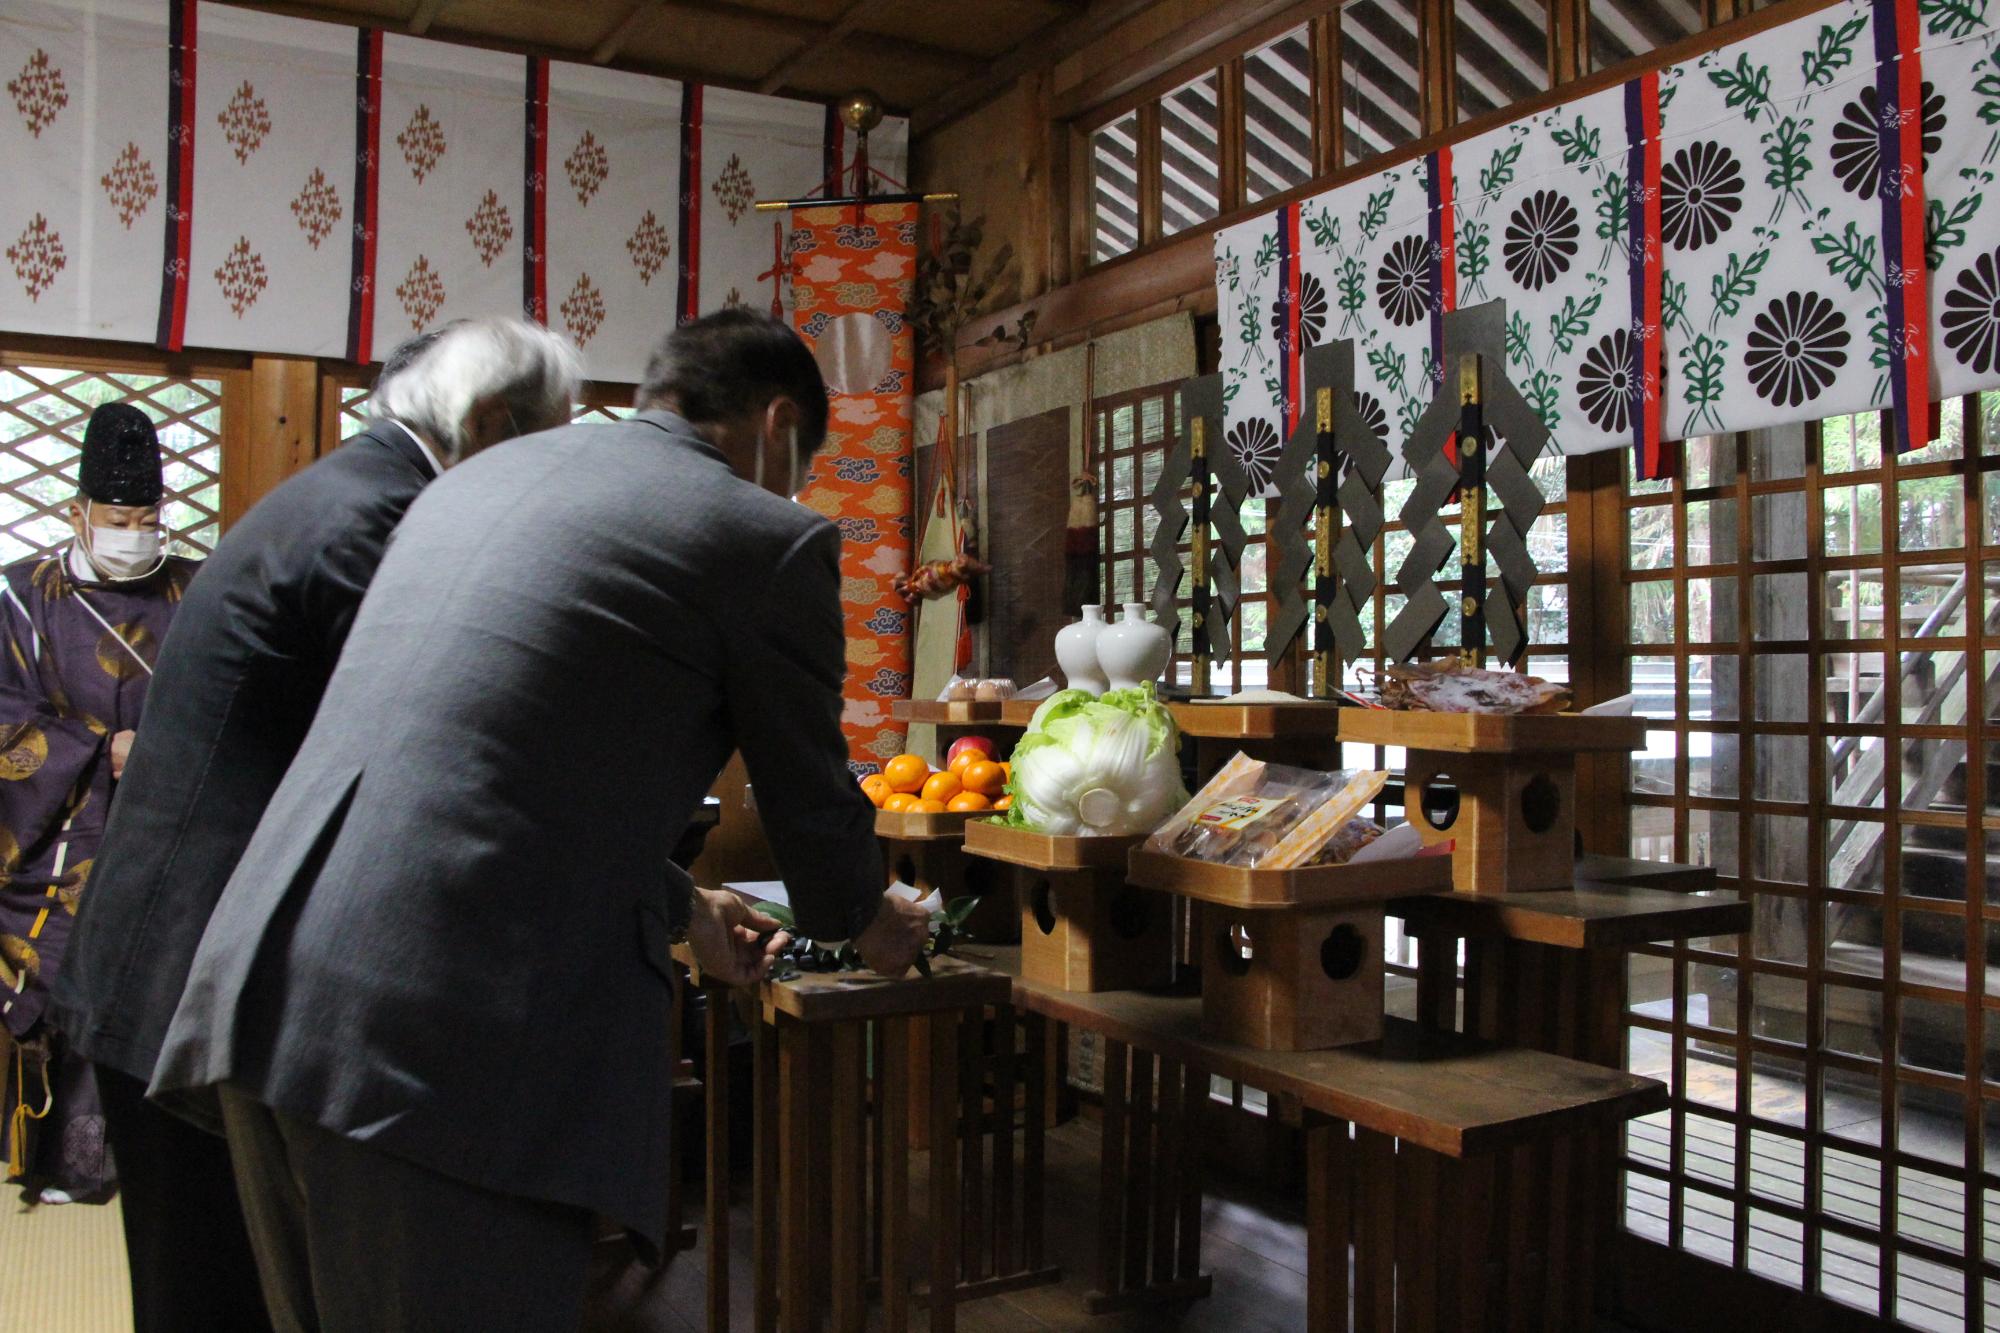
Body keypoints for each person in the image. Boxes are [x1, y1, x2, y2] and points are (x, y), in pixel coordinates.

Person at [149, 308, 931, 1332]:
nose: (792, 485)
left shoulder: (471, 483)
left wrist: (683, 907)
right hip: (430, 1044)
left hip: (263, 988)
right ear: (777, 421)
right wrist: (871, 920)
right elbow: (812, 807)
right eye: (799, 461)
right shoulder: (764, 538)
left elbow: (480, 770)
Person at [46, 317, 581, 1333]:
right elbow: (452, 760)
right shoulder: (373, 528)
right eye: (541, 445)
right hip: (185, 975)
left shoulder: (351, 496)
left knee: (230, 1292)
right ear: (485, 420)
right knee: (214, 1297)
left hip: (197, 965)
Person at [1, 404, 197, 1206]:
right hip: (64, 835)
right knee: (64, 986)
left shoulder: (199, 586)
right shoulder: (24, 598)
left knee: (160, 993)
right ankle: (55, 1156)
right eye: (118, 519)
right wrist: (100, 751)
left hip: (172, 831)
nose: (136, 533)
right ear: (77, 513)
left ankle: (162, 1166)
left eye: (148, 518)